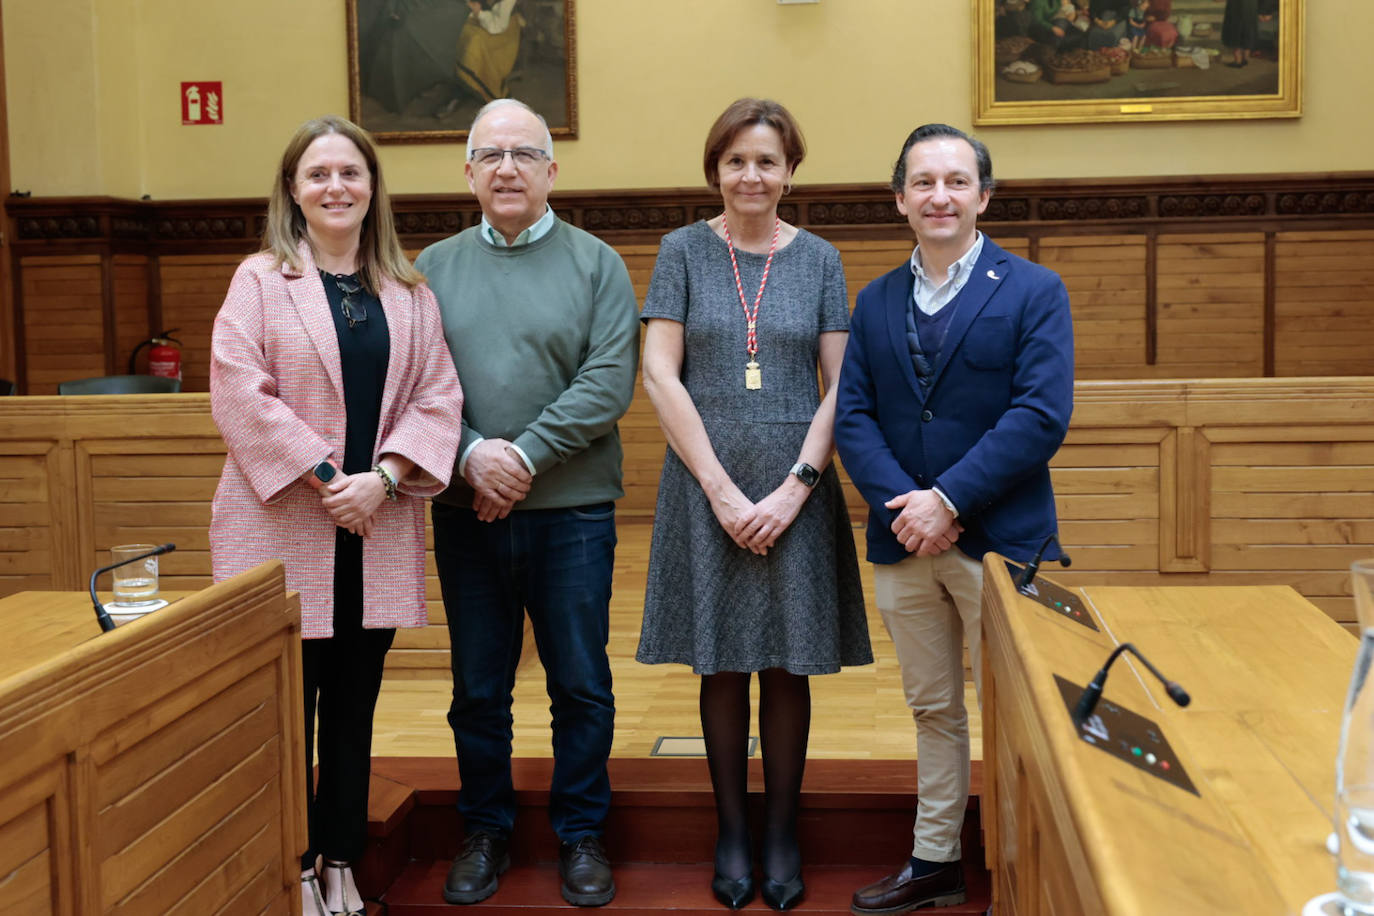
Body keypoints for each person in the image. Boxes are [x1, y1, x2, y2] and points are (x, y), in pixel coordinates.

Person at [209, 115, 464, 916]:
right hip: (283, 527)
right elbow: (238, 391)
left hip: (372, 529)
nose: (335, 187)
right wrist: (330, 477)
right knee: (290, 713)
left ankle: (343, 860)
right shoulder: (259, 280)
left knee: (354, 712)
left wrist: (383, 481)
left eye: (349, 173)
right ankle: (294, 865)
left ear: (372, 188)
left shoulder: (410, 292)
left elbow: (438, 398)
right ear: (293, 189)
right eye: (317, 174)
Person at [636, 98, 872, 912]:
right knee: (721, 659)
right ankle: (731, 830)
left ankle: (781, 830)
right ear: (716, 170)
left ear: (790, 172)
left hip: (795, 483)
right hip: (705, 479)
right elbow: (660, 374)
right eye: (737, 160)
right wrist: (722, 489)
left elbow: (843, 385)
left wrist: (796, 487)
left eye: (767, 161)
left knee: (785, 660)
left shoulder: (822, 260)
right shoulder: (681, 252)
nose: (752, 175)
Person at [835, 124, 1073, 913]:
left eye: (957, 181)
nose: (941, 195)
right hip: (904, 543)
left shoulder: (1034, 290)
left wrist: (951, 501)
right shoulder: (873, 301)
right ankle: (936, 859)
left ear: (984, 196)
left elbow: (1040, 415)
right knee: (933, 708)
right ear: (900, 199)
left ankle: (1022, 874)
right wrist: (908, 506)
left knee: (1020, 717)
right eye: (924, 182)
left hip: (1001, 542)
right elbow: (854, 417)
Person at [414, 98, 639, 908]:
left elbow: (608, 383)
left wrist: (521, 457)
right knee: (479, 685)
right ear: (467, 172)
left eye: (523, 154)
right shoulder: (429, 269)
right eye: (490, 155)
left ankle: (581, 835)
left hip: (572, 512)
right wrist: (473, 455)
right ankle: (486, 830)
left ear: (552, 169)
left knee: (580, 682)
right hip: (464, 510)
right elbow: (418, 387)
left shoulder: (597, 264)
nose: (506, 169)